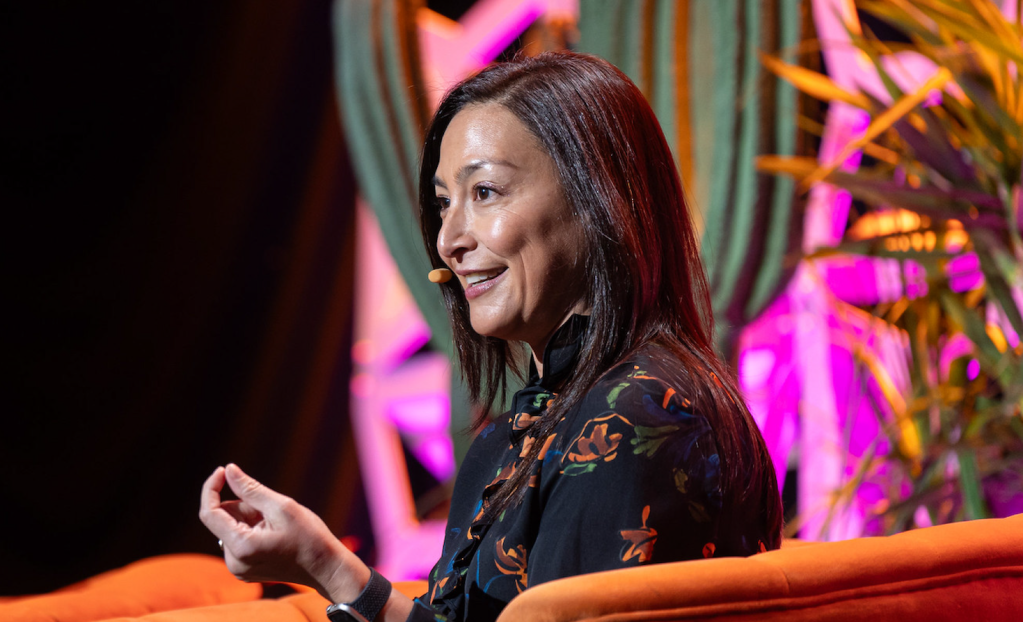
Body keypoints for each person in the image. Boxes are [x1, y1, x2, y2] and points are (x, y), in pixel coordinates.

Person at [200, 51, 783, 622]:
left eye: (485, 193)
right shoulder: (528, 427)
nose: (449, 239)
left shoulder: (632, 419)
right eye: (442, 203)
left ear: (600, 199)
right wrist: (323, 562)